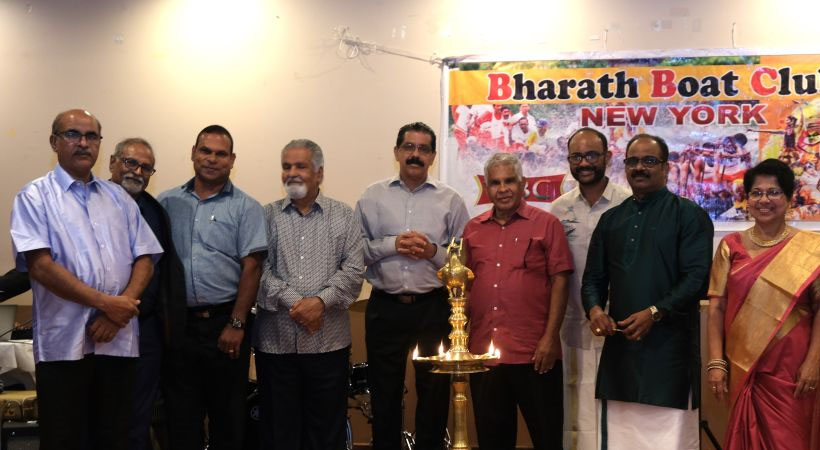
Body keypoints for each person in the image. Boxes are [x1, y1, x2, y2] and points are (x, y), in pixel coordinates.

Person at [9, 109, 163, 450]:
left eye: (91, 136)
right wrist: (108, 304)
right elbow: (41, 267)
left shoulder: (119, 198)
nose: (83, 143)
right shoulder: (34, 196)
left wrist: (116, 313)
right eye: (72, 134)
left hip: (118, 341)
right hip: (64, 346)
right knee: (64, 439)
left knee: (115, 438)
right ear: (54, 142)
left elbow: (146, 258)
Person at [581, 134, 713, 450]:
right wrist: (595, 310)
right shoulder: (612, 220)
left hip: (669, 356)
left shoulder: (688, 215)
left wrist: (655, 312)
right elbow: (592, 279)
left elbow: (696, 279)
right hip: (621, 357)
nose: (640, 168)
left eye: (649, 161)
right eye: (633, 161)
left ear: (666, 168)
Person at [355, 122, 470, 450]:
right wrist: (392, 244)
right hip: (385, 307)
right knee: (384, 393)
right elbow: (355, 251)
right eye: (408, 147)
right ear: (396, 152)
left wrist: (432, 251)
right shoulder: (372, 197)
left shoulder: (451, 200)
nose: (415, 154)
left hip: (433, 308)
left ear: (432, 156)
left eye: (423, 149)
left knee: (434, 395)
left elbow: (463, 260)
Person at [159, 125, 267, 450]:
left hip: (225, 324)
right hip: (178, 325)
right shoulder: (167, 202)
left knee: (228, 418)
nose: (212, 159)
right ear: (193, 153)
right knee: (180, 417)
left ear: (232, 160)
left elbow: (253, 267)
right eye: (205, 151)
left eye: (221, 154)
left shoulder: (246, 207)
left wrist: (237, 323)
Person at [254, 139, 365, 449]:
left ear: (319, 173)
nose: (292, 172)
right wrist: (298, 304)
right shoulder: (265, 216)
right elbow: (257, 271)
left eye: (300, 166)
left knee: (326, 434)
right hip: (276, 345)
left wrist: (320, 303)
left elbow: (354, 271)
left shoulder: (344, 216)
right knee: (279, 434)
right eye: (286, 166)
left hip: (328, 344)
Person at [706, 158, 820, 450]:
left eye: (773, 192)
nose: (764, 200)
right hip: (743, 364)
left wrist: (813, 363)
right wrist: (716, 362)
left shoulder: (812, 248)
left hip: (793, 371)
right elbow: (716, 308)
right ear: (747, 199)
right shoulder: (731, 247)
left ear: (789, 198)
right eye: (756, 193)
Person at [463, 153, 573, 450]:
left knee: (547, 439)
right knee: (492, 442)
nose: (503, 189)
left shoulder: (547, 224)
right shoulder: (472, 229)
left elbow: (561, 281)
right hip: (484, 355)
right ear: (487, 187)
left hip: (535, 353)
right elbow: (465, 287)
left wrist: (550, 339)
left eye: (509, 181)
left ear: (523, 183)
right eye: (495, 183)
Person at [550, 128, 631, 450]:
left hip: (621, 326)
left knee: (618, 409)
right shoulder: (559, 209)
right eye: (577, 156)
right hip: (572, 326)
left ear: (608, 157)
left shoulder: (627, 203)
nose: (584, 163)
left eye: (592, 155)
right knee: (575, 409)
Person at [109, 137, 187, 450]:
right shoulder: (89, 202)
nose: (138, 171)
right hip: (99, 328)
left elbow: (161, 271)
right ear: (112, 162)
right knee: (102, 418)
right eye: (131, 162)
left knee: (137, 420)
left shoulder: (154, 210)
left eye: (146, 167)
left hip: (146, 331)